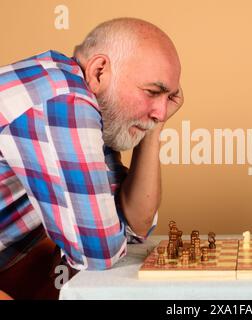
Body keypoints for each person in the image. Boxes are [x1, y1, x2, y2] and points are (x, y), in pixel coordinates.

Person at [0, 17, 183, 298]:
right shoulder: (64, 100)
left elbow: (135, 225)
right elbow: (99, 255)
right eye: (152, 92)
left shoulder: (90, 107)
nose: (161, 110)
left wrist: (153, 127)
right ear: (99, 72)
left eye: (168, 97)